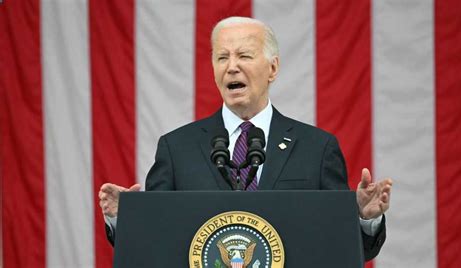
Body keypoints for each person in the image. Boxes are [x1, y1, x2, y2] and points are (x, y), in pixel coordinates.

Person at [98, 16, 392, 261]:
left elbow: (347, 250)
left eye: (244, 56)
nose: (231, 66)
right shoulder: (176, 149)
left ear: (272, 68)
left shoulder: (317, 148)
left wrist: (365, 218)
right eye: (222, 57)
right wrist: (127, 219)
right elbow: (155, 243)